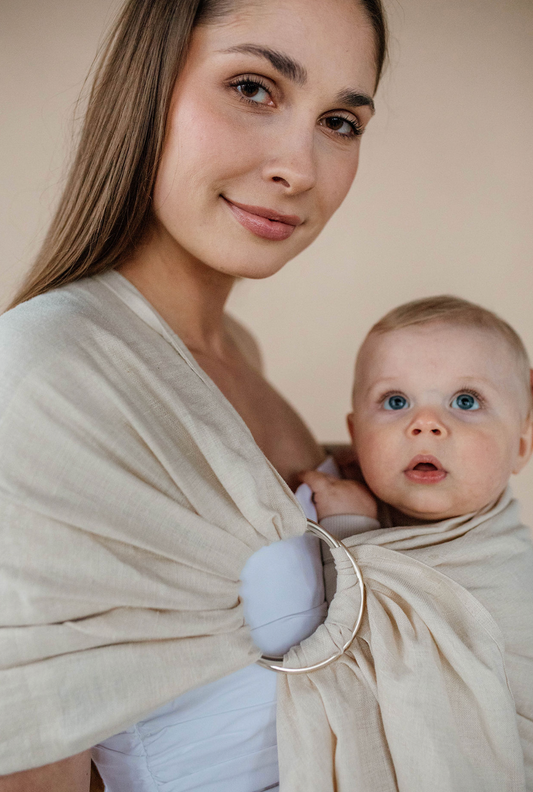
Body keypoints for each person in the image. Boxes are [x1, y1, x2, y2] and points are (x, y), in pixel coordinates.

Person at [0, 0, 388, 790]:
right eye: (252, 88)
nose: (300, 168)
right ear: (146, 91)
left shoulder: (234, 353)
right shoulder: (47, 379)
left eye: (341, 121)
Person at [301, 295, 533, 788]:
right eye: (395, 401)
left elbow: (364, 634)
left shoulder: (512, 575)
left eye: (465, 401)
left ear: (521, 443)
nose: (425, 424)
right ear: (355, 437)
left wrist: (350, 534)